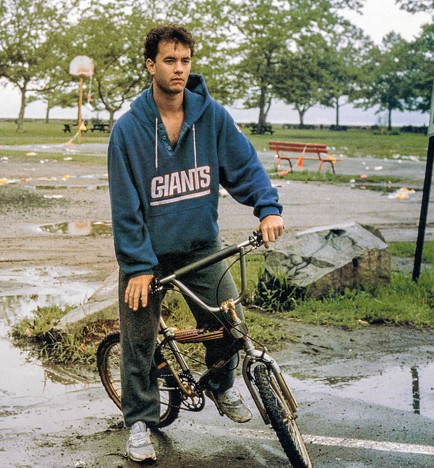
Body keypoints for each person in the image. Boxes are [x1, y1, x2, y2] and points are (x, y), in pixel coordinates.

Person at [107, 24, 284, 463]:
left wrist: (268, 207)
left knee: (231, 321)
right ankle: (141, 423)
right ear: (151, 65)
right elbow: (125, 207)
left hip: (201, 247)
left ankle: (221, 385)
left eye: (185, 60)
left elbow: (245, 166)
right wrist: (138, 265)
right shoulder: (127, 131)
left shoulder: (212, 118)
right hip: (147, 256)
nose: (179, 69)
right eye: (169, 60)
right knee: (139, 341)